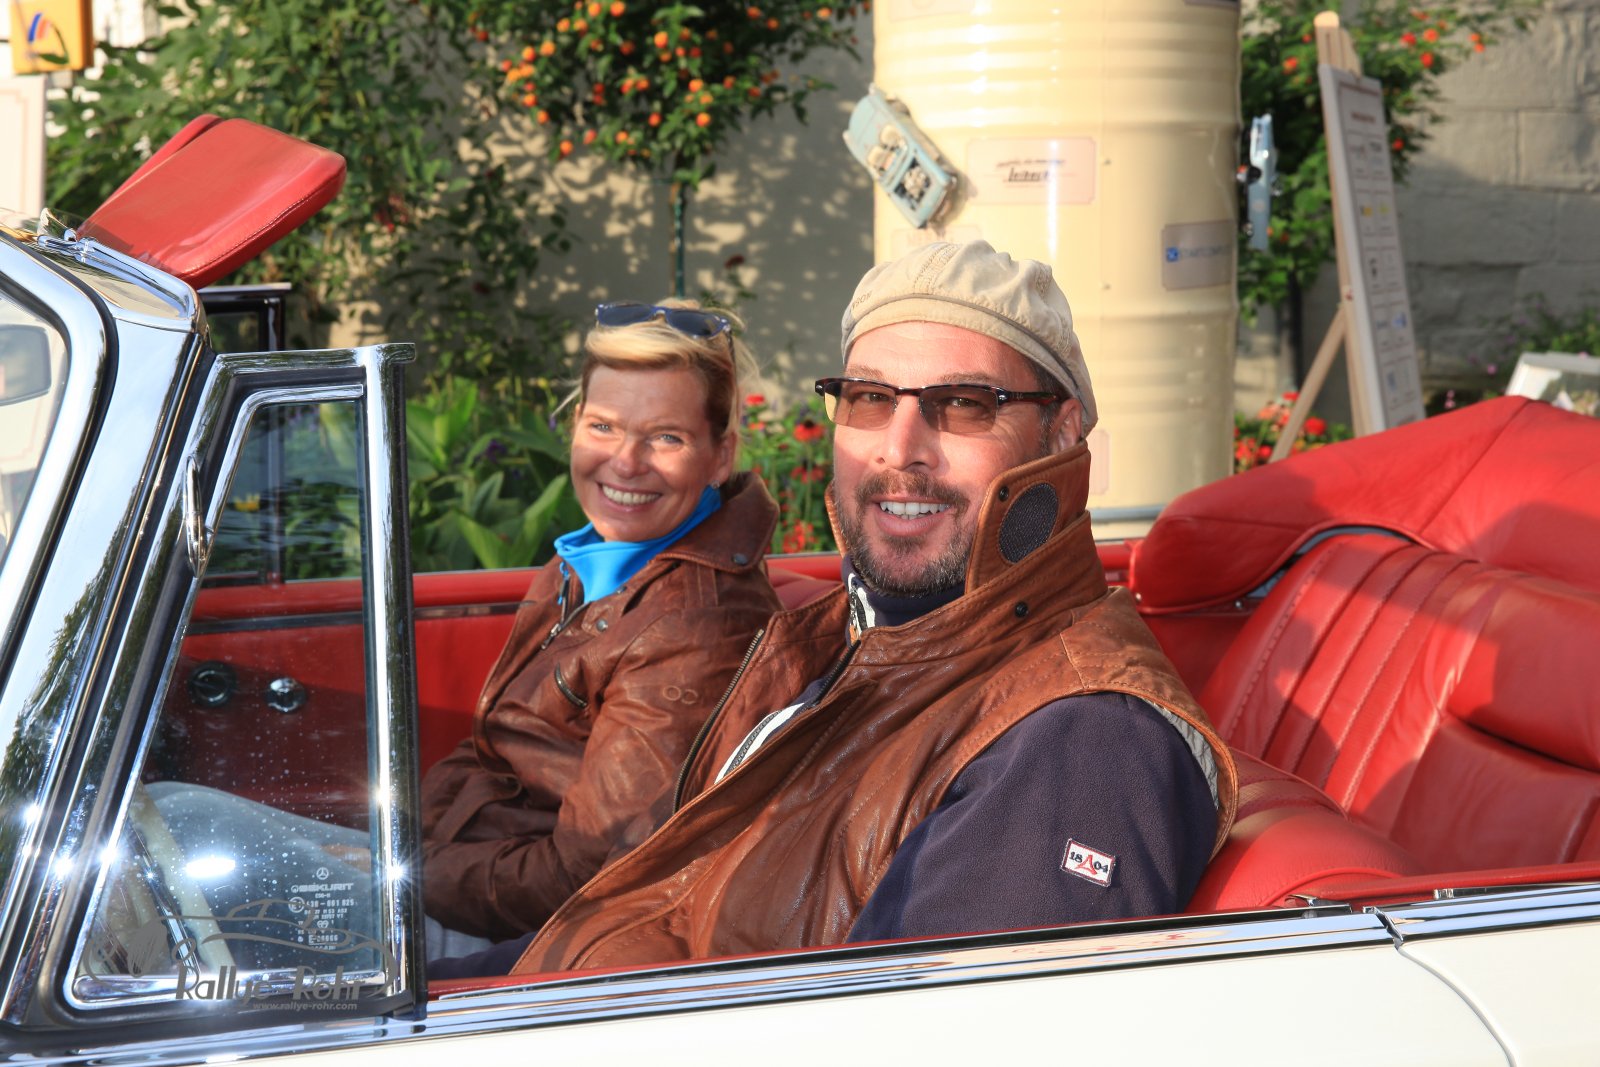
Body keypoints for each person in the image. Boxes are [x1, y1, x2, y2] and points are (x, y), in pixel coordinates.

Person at [438, 241, 1240, 978]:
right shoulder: (841, 643)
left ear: (1059, 434)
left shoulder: (1083, 738)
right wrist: (444, 995)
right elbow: (664, 915)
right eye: (869, 397)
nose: (900, 447)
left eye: (964, 403)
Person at [420, 299, 782, 947]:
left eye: (665, 437)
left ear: (720, 456)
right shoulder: (586, 562)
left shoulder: (695, 626)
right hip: (464, 875)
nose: (625, 461)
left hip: (523, 940)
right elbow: (490, 749)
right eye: (604, 425)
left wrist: (402, 878)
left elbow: (587, 875)